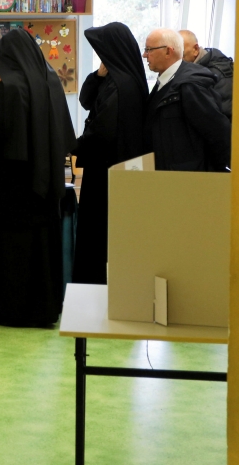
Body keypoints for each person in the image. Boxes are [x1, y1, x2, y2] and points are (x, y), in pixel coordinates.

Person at [0, 29, 77, 326]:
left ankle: (15, 309)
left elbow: (7, 134)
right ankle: (45, 307)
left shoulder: (11, 85)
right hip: (47, 178)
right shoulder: (51, 80)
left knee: (15, 247)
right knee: (44, 245)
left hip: (14, 182)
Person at [72, 22, 148, 285]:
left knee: (100, 232)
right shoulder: (116, 79)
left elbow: (102, 131)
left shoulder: (121, 85)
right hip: (112, 169)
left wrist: (73, 146)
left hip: (109, 171)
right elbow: (85, 101)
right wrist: (97, 76)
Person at [144, 28, 231, 171]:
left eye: (149, 49)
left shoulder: (190, 85)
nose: (144, 55)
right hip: (169, 174)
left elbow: (218, 132)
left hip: (188, 179)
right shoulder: (166, 81)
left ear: (168, 51)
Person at [180, 29, 234, 120]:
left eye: (181, 55)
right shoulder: (192, 71)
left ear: (195, 49)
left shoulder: (218, 73)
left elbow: (223, 115)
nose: (177, 60)